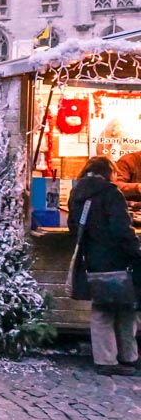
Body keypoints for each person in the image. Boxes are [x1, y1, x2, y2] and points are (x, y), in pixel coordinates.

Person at [67, 156, 141, 376]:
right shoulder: (110, 193)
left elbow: (74, 228)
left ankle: (105, 358)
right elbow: (121, 229)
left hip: (92, 259)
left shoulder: (77, 193)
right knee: (126, 307)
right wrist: (136, 251)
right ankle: (128, 357)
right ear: (109, 172)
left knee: (101, 309)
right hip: (118, 259)